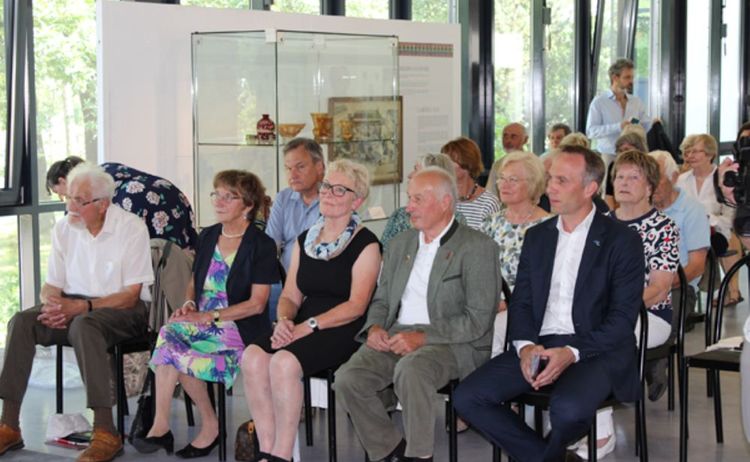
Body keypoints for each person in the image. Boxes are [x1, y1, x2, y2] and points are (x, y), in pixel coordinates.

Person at [453, 145, 645, 462]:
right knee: (468, 397)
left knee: (567, 410)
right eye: (551, 178)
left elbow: (622, 320)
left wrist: (571, 353)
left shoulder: (621, 240)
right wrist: (526, 345)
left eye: (562, 181)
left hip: (595, 349)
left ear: (590, 189)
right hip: (542, 344)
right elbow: (523, 302)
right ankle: (548, 457)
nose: (551, 187)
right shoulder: (539, 236)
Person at [335, 167, 500, 462]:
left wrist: (422, 337)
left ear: (446, 202)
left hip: (454, 343)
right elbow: (383, 300)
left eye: (418, 200)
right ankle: (389, 450)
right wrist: (374, 328)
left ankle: (420, 455)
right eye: (410, 198)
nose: (409, 207)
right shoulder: (400, 244)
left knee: (412, 370)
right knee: (348, 378)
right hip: (399, 333)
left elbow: (477, 320)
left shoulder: (477, 247)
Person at [0, 163, 154, 461]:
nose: (70, 205)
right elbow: (51, 285)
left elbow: (131, 295)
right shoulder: (64, 228)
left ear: (103, 204)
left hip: (122, 309)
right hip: (74, 306)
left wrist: (81, 308)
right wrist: (53, 305)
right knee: (21, 321)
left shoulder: (131, 227)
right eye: (68, 197)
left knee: (85, 326)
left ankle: (106, 432)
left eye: (79, 201)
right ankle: (8, 425)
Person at [241, 160, 381, 462]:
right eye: (327, 186)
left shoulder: (367, 245)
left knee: (282, 363)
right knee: (252, 356)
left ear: (356, 200)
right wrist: (284, 320)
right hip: (303, 322)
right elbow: (291, 293)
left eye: (339, 190)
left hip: (343, 328)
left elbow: (357, 305)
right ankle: (265, 448)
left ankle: (282, 454)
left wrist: (308, 326)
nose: (328, 193)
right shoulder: (307, 239)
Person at [132, 170, 279, 458]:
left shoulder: (261, 245)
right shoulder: (209, 235)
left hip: (239, 328)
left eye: (229, 196)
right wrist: (189, 304)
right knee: (169, 334)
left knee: (175, 349)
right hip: (203, 322)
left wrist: (209, 317)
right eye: (217, 194)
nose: (219, 202)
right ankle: (163, 424)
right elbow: (194, 281)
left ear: (248, 205)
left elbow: (257, 304)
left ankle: (205, 425)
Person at [585, 150, 679, 459]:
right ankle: (573, 417)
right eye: (619, 177)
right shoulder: (597, 225)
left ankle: (601, 431)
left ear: (650, 186)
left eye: (633, 177)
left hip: (650, 316)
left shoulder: (664, 228)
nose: (623, 183)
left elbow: (660, 287)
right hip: (600, 314)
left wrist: (615, 310)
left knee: (604, 340)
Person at [481, 151, 551, 356]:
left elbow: (543, 281)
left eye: (512, 179)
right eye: (502, 178)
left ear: (532, 184)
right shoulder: (491, 222)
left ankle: (485, 385)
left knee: (489, 334)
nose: (503, 184)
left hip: (524, 307)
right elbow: (476, 269)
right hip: (485, 303)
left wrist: (505, 302)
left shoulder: (548, 227)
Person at [46, 156, 197, 249]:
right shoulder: (109, 170)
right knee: (176, 259)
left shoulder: (93, 191)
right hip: (172, 195)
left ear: (62, 180)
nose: (65, 198)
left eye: (59, 193)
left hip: (145, 207)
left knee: (160, 266)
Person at [677, 133, 742, 305]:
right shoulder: (681, 181)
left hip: (716, 233)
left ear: (710, 154)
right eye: (688, 151)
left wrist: (707, 218)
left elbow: (729, 220)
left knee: (707, 245)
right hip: (684, 233)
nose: (690, 156)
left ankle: (690, 291)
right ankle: (682, 292)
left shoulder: (723, 179)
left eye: (696, 151)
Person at [265, 138, 325, 319]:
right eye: (288, 168)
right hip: (285, 281)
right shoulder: (283, 198)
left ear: (319, 167)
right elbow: (270, 245)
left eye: (300, 167)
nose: (293, 174)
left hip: (319, 281)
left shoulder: (332, 199)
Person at [381, 153, 464, 249]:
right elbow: (385, 255)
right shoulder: (400, 216)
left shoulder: (455, 220)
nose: (409, 175)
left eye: (416, 169)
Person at [586, 58, 651, 156]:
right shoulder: (599, 102)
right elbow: (591, 131)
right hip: (609, 155)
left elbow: (644, 125)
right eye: (627, 77)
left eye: (632, 77)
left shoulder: (636, 102)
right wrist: (618, 127)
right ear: (615, 78)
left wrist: (650, 123)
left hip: (634, 155)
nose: (631, 81)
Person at [441, 137, 501, 230]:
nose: (445, 166)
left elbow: (491, 241)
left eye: (450, 161)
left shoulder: (488, 203)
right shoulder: (441, 199)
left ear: (467, 162)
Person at [604, 126, 649, 208]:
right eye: (620, 151)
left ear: (639, 150)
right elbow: (609, 197)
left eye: (626, 150)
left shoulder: (648, 167)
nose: (623, 154)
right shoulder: (613, 166)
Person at [487, 122, 529, 197]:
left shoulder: (532, 163)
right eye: (505, 136)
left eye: (513, 137)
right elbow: (490, 193)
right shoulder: (498, 164)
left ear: (525, 140)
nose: (508, 141)